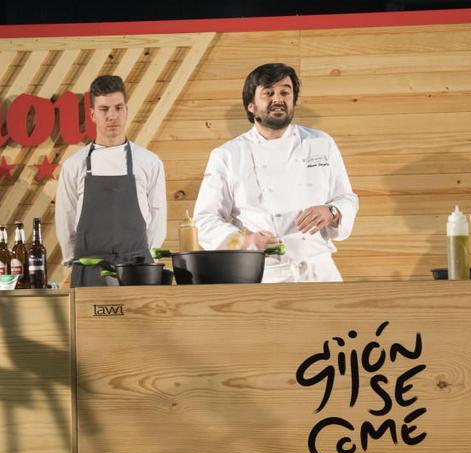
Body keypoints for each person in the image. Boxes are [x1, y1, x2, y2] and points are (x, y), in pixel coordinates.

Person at [193, 63, 358, 283]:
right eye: (268, 93)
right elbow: (204, 220)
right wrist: (246, 241)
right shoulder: (228, 154)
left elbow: (346, 197)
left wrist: (332, 211)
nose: (278, 99)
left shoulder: (320, 142)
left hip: (320, 271)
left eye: (284, 92)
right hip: (265, 273)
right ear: (251, 105)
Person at [55, 75, 167, 287]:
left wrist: (143, 258)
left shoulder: (149, 162)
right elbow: (66, 217)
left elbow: (158, 216)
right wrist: (74, 260)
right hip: (89, 269)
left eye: (118, 108)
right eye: (104, 109)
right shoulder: (73, 166)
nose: (112, 116)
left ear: (126, 110)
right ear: (93, 114)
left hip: (137, 270)